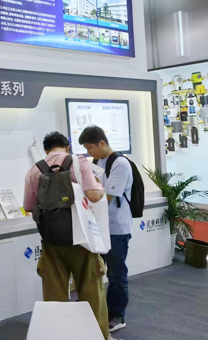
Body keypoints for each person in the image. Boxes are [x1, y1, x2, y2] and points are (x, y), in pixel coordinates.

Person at [23, 131, 111, 340]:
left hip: (51, 241)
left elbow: (29, 206)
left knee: (54, 296)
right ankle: (97, 336)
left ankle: (57, 335)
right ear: (68, 147)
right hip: (82, 239)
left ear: (46, 151)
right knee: (92, 292)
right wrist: (98, 184)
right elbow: (94, 195)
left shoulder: (35, 170)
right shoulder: (79, 163)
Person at [79, 125, 134, 334]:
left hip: (116, 229)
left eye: (90, 148)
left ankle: (117, 315)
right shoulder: (96, 162)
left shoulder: (120, 163)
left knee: (116, 273)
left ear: (102, 143)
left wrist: (88, 200)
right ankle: (98, 310)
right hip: (98, 227)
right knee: (95, 271)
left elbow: (107, 197)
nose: (89, 152)